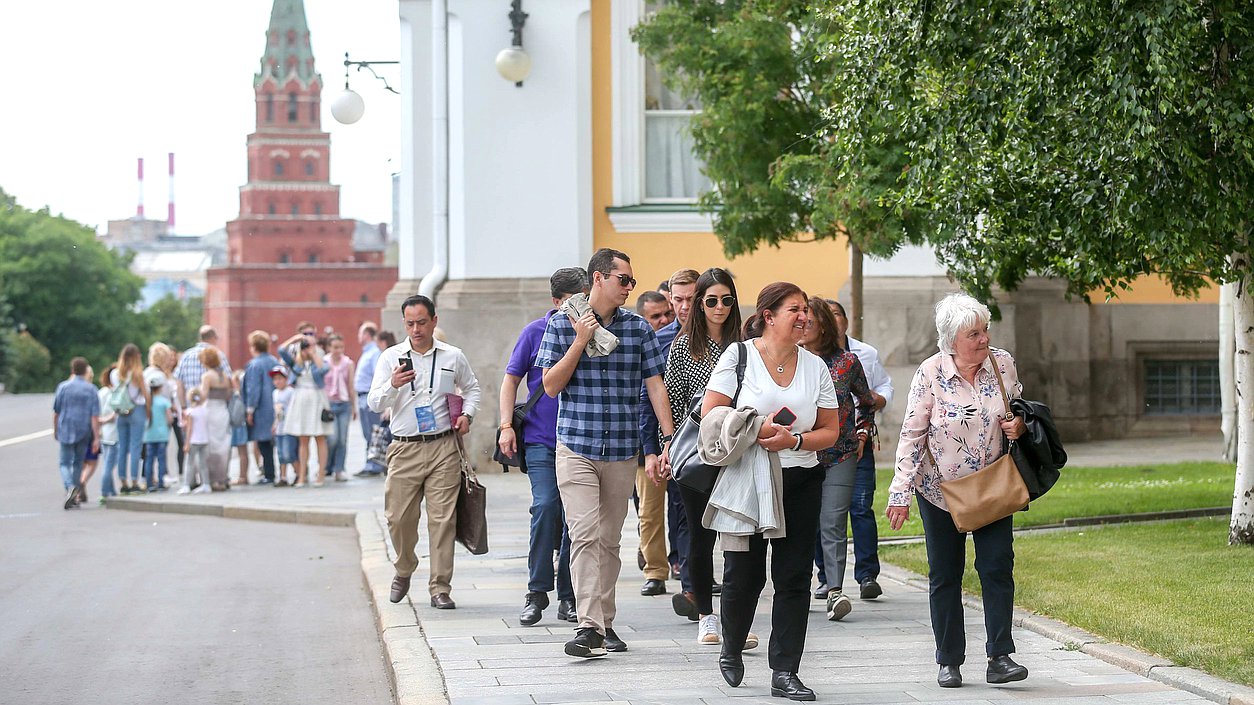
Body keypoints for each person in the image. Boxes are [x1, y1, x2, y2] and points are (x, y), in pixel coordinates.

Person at [698, 281, 840, 700]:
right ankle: (732, 645)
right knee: (744, 574)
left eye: (806, 310)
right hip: (750, 476)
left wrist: (795, 441)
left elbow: (830, 431)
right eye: (794, 309)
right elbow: (711, 413)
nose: (804, 317)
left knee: (794, 577)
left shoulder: (815, 366)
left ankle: (785, 671)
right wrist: (756, 427)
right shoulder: (738, 356)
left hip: (800, 479)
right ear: (769, 315)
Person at [536, 248, 675, 659]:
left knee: (610, 541)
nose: (629, 287)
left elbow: (655, 385)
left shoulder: (637, 329)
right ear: (599, 279)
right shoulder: (563, 324)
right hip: (576, 446)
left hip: (620, 450)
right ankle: (588, 625)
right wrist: (580, 341)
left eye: (632, 281)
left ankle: (606, 622)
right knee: (584, 535)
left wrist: (667, 440)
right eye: (623, 280)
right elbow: (550, 385)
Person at [887, 292, 1029, 689]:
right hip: (940, 491)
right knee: (945, 574)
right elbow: (912, 435)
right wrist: (900, 492)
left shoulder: (1002, 364)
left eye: (985, 331)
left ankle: (1000, 656)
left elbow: (1017, 407)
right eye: (973, 334)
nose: (983, 340)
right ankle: (948, 660)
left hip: (993, 486)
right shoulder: (930, 373)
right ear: (951, 340)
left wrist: (1017, 425)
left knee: (997, 567)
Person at [659, 268, 758, 651]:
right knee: (699, 539)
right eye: (711, 300)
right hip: (697, 450)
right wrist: (666, 445)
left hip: (738, 451)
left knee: (737, 538)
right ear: (700, 303)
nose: (719, 307)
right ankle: (705, 616)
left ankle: (737, 618)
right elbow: (671, 398)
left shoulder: (747, 344)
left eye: (726, 300)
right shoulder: (684, 346)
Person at [369, 294, 481, 610]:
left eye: (421, 322)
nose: (416, 329)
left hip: (443, 445)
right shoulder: (391, 358)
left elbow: (472, 388)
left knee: (442, 520)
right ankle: (404, 567)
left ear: (434, 321)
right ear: (403, 324)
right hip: (404, 448)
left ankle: (440, 587)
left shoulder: (452, 356)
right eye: (410, 323)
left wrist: (467, 415)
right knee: (398, 518)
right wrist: (392, 384)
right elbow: (374, 403)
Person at [498, 266, 587, 627]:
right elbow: (511, 380)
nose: (581, 307)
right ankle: (537, 591)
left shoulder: (595, 333)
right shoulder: (535, 332)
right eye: (574, 300)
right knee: (546, 506)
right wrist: (506, 426)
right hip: (540, 439)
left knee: (573, 519)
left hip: (579, 440)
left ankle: (568, 596)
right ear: (557, 301)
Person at [801, 298, 877, 623]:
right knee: (800, 524)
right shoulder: (792, 362)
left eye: (810, 322)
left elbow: (867, 401)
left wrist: (861, 434)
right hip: (799, 453)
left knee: (832, 522)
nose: (803, 326)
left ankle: (835, 591)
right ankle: (797, 588)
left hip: (841, 453)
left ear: (824, 327)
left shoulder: (847, 362)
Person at [825, 299, 894, 601]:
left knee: (861, 508)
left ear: (845, 320)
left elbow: (879, 389)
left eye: (836, 314)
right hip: (819, 447)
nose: (832, 320)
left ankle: (867, 574)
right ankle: (825, 577)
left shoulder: (863, 354)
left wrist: (874, 408)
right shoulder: (805, 358)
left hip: (857, 443)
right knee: (826, 515)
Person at [640, 269, 700, 593]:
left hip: (715, 442)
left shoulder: (723, 340)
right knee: (678, 514)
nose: (684, 306)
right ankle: (690, 587)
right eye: (678, 299)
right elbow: (647, 398)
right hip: (675, 444)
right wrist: (651, 449)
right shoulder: (660, 341)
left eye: (691, 298)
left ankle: (699, 577)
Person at [279, 327, 332, 487]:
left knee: (320, 437)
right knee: (303, 439)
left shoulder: (320, 355)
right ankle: (301, 475)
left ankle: (320, 474)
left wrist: (313, 352)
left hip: (316, 398)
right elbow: (281, 350)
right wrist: (296, 339)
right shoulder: (296, 361)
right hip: (300, 398)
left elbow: (324, 369)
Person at [52, 357, 100, 509]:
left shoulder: (63, 387)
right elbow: (94, 416)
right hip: (83, 429)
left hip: (65, 427)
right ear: (86, 371)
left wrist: (55, 429)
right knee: (78, 462)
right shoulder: (91, 389)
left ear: (72, 370)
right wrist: (96, 437)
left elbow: (57, 411)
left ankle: (70, 487)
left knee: (64, 462)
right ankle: (74, 493)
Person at [112, 344, 152, 494]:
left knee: (122, 447)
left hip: (121, 413)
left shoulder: (115, 374)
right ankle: (135, 480)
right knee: (135, 447)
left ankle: (123, 481)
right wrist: (148, 412)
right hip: (136, 410)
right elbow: (146, 395)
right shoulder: (137, 374)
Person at [243, 330, 281, 484]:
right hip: (275, 404)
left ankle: (269, 473)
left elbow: (253, 389)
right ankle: (276, 471)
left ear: (253, 346)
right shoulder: (274, 361)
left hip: (261, 408)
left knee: (263, 443)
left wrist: (250, 409)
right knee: (275, 441)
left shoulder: (254, 365)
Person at [322, 333, 357, 482]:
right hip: (329, 404)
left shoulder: (348, 363)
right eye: (335, 347)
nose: (338, 350)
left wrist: (353, 406)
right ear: (329, 347)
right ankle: (326, 465)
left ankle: (339, 469)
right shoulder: (324, 362)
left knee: (342, 439)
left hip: (344, 404)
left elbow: (350, 385)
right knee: (332, 439)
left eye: (341, 347)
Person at [199, 347, 233, 491]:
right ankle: (223, 477)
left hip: (211, 411)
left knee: (210, 446)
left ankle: (212, 479)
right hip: (223, 411)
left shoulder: (207, 377)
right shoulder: (225, 376)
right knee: (223, 446)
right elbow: (228, 395)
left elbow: (203, 396)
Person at [173, 325, 232, 406]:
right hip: (213, 407)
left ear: (201, 338)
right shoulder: (218, 355)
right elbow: (229, 381)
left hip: (191, 408)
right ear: (213, 338)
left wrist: (183, 407)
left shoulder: (186, 356)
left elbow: (179, 383)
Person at [355, 321, 385, 476]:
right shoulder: (367, 352)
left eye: (360, 333)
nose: (358, 336)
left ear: (367, 334)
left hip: (368, 396)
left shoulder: (374, 353)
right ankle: (370, 462)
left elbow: (377, 376)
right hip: (361, 397)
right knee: (368, 432)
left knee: (373, 432)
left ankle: (374, 465)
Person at [142, 373, 174, 492]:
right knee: (161, 459)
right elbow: (169, 418)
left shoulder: (148, 402)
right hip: (162, 435)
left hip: (149, 435)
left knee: (149, 459)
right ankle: (161, 482)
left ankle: (149, 483)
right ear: (160, 387)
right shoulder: (164, 401)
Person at [179, 388, 212, 494]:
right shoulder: (205, 410)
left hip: (194, 440)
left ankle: (186, 485)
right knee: (203, 464)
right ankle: (206, 484)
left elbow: (189, 429)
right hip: (204, 440)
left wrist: (186, 443)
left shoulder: (190, 412)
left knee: (189, 463)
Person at [96, 365, 120, 499]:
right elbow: (116, 413)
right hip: (113, 432)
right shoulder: (114, 393)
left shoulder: (102, 392)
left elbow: (96, 412)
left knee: (107, 463)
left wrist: (99, 424)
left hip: (104, 433)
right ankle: (105, 492)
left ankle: (111, 490)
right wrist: (108, 419)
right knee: (109, 465)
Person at [271, 366, 296, 486]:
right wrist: (274, 424)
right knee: (280, 454)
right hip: (279, 427)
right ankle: (283, 476)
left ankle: (299, 472)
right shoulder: (275, 393)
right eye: (275, 379)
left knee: (289, 453)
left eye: (280, 378)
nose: (278, 381)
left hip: (288, 427)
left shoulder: (290, 392)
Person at [229, 370, 250, 485]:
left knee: (242, 452)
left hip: (238, 425)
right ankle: (243, 476)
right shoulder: (243, 394)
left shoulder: (237, 395)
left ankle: (243, 476)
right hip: (239, 425)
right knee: (243, 452)